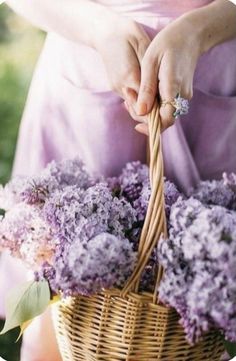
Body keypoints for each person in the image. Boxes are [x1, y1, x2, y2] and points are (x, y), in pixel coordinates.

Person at [0, 0, 236, 359]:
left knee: (185, 322)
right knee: (60, 309)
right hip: (86, 65)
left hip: (209, 68)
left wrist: (202, 29)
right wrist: (96, 27)